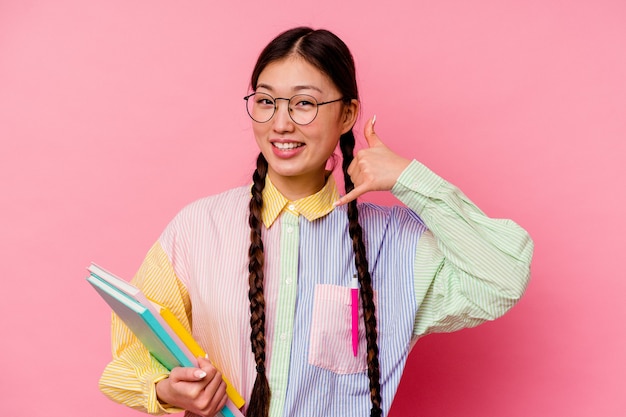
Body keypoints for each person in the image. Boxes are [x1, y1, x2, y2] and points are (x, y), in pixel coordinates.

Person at [99, 27, 534, 417]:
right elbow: (130, 354)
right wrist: (163, 390)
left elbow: (500, 279)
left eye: (304, 103)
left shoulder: (395, 243)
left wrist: (408, 179)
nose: (281, 123)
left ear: (347, 114)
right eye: (266, 101)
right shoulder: (196, 229)